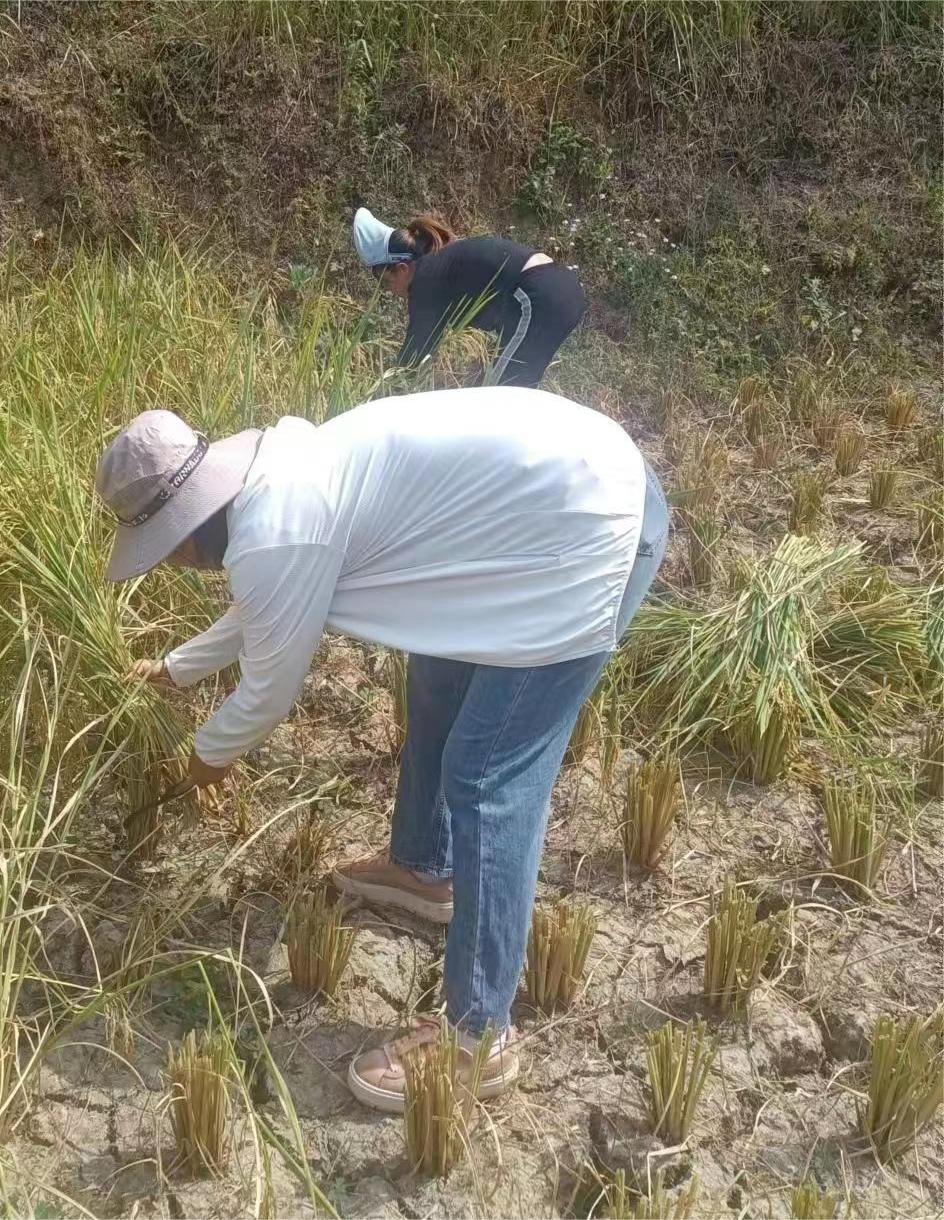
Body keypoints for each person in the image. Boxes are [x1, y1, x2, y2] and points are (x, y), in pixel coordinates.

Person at [96, 386, 667, 1114]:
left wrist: (202, 762)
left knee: (488, 778)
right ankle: (425, 870)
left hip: (588, 530)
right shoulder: (273, 480)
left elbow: (267, 692)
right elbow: (265, 608)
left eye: (164, 550)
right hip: (541, 508)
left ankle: (478, 1035)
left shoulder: (277, 530)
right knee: (435, 679)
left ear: (185, 528)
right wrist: (176, 671)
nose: (172, 565)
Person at [352, 206, 587, 389]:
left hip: (539, 295)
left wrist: (381, 395)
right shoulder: (440, 266)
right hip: (556, 291)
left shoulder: (425, 279)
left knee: (501, 398)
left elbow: (414, 354)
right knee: (501, 387)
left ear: (402, 269)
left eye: (385, 283)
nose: (391, 292)